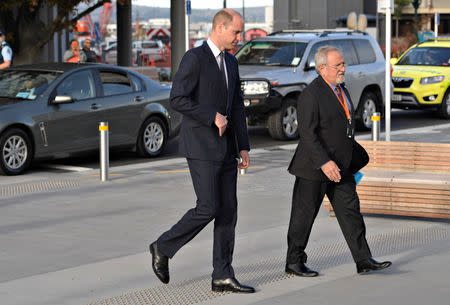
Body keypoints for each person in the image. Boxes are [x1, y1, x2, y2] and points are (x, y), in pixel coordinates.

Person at [149, 9, 254, 294]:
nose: (239, 37)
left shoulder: (231, 62)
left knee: (228, 212)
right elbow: (177, 99)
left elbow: (236, 107)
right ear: (220, 27)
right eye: (236, 32)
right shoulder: (194, 58)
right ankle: (163, 246)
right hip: (201, 146)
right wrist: (211, 116)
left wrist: (243, 145)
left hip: (227, 148)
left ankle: (222, 275)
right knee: (207, 207)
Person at [285, 46, 392, 276]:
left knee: (351, 212)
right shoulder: (311, 94)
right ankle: (294, 262)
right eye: (338, 65)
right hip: (314, 168)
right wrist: (324, 162)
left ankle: (363, 259)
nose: (343, 68)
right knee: (304, 216)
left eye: (344, 64)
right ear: (322, 68)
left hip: (341, 167)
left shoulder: (341, 88)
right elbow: (307, 133)